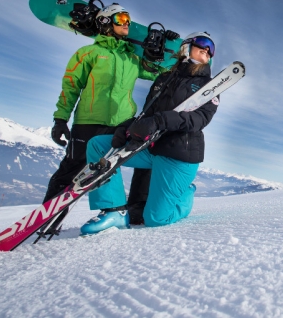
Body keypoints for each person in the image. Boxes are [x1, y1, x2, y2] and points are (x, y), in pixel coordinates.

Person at [80, 32, 218, 234]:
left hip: (179, 154)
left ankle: (185, 193)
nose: (207, 50)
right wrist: (126, 128)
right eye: (203, 43)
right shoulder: (164, 78)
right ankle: (114, 211)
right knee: (98, 145)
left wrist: (160, 121)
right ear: (186, 46)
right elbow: (148, 113)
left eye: (211, 49)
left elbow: (199, 120)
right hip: (152, 149)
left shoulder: (210, 86)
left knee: (156, 219)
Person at [43, 4, 167, 226]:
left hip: (122, 124)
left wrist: (163, 51)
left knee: (145, 161)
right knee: (71, 171)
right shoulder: (88, 53)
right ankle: (46, 221)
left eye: (128, 18)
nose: (127, 23)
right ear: (105, 22)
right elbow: (70, 87)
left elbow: (162, 74)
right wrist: (60, 119)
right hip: (88, 123)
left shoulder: (133, 60)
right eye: (121, 18)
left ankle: (136, 211)